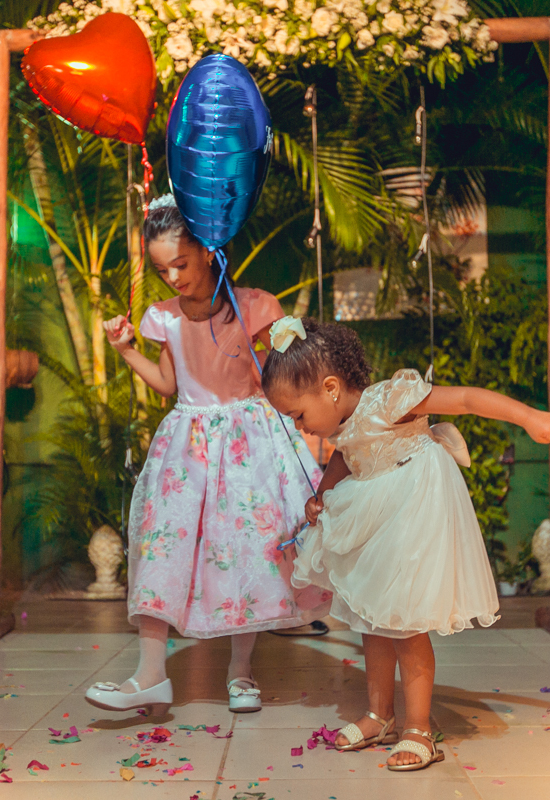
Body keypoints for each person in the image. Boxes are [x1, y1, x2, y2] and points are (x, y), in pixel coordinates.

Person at [261, 316, 550, 771]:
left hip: (414, 508)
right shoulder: (341, 423)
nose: (301, 428)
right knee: (372, 619)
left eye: (297, 415)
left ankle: (418, 725)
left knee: (405, 624)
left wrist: (528, 417)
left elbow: (463, 399)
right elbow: (345, 454)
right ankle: (379, 715)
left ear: (330, 387)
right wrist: (321, 494)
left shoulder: (388, 398)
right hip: (374, 516)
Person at [86, 195, 324, 716]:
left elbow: (275, 380)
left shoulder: (257, 305)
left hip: (247, 441)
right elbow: (171, 384)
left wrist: (275, 356)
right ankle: (150, 675)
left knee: (246, 547)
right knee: (162, 545)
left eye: (182, 263)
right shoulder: (162, 319)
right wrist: (127, 350)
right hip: (186, 444)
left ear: (210, 250)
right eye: (161, 268)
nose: (172, 277)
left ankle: (241, 672)